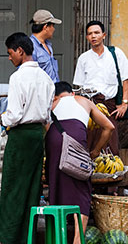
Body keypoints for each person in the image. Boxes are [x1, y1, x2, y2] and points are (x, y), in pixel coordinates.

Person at [0, 32, 55, 244]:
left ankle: (7, 238)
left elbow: (14, 115)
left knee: (11, 188)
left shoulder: (17, 77)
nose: (10, 58)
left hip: (20, 136)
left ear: (20, 51)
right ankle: (25, 238)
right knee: (31, 188)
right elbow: (47, 114)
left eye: (10, 53)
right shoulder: (47, 78)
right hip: (38, 136)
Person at [45, 81, 114, 244]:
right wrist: (96, 151)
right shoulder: (84, 101)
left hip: (54, 141)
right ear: (72, 93)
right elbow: (109, 127)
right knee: (82, 189)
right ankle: (78, 239)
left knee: (56, 185)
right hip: (75, 142)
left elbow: (46, 128)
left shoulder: (52, 104)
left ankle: (57, 237)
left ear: (55, 96)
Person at [73, 20, 128, 155]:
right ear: (87, 37)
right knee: (90, 143)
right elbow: (78, 88)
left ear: (104, 35)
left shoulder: (116, 54)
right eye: (90, 34)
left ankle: (111, 174)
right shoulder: (83, 59)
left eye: (96, 33)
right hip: (90, 106)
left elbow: (125, 80)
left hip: (109, 106)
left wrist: (124, 103)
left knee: (111, 143)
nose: (93, 36)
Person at [30, 9, 62, 83]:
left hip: (54, 89)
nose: (54, 29)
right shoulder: (30, 46)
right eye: (52, 26)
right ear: (46, 27)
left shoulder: (48, 45)